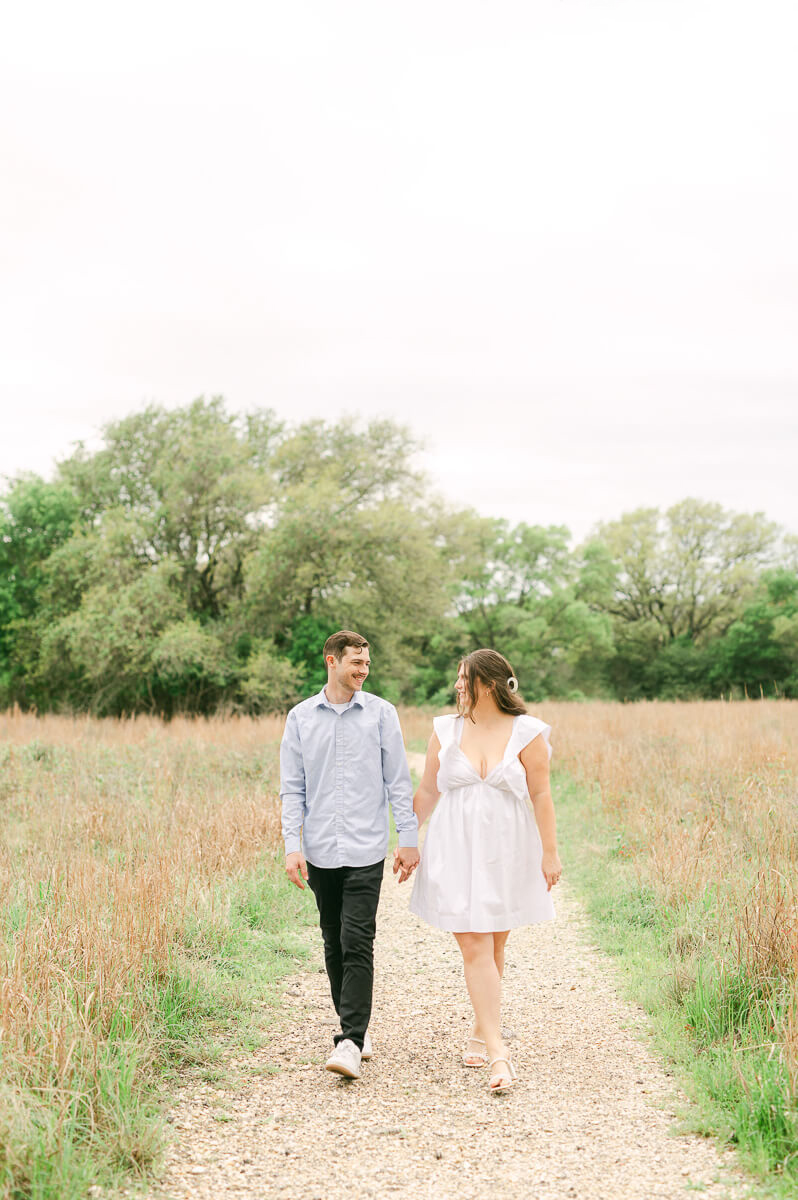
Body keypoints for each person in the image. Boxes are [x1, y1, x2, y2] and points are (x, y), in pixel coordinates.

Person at [399, 648, 562, 1094]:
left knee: (493, 945)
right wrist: (407, 839)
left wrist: (550, 853)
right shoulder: (445, 730)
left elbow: (542, 796)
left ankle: (478, 1030)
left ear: (488, 684)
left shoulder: (528, 733)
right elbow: (428, 791)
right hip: (454, 847)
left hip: (508, 848)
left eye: (462, 677)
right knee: (474, 944)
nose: (456, 685)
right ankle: (498, 1052)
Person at [280, 630, 420, 1081]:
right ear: (331, 661)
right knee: (333, 943)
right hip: (320, 849)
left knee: (358, 940)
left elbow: (398, 781)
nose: (362, 670)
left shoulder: (382, 714)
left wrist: (408, 838)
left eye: (366, 664)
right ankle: (353, 1023)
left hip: (365, 847)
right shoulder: (300, 718)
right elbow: (292, 788)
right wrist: (291, 846)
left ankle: (351, 1041)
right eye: (355, 663)